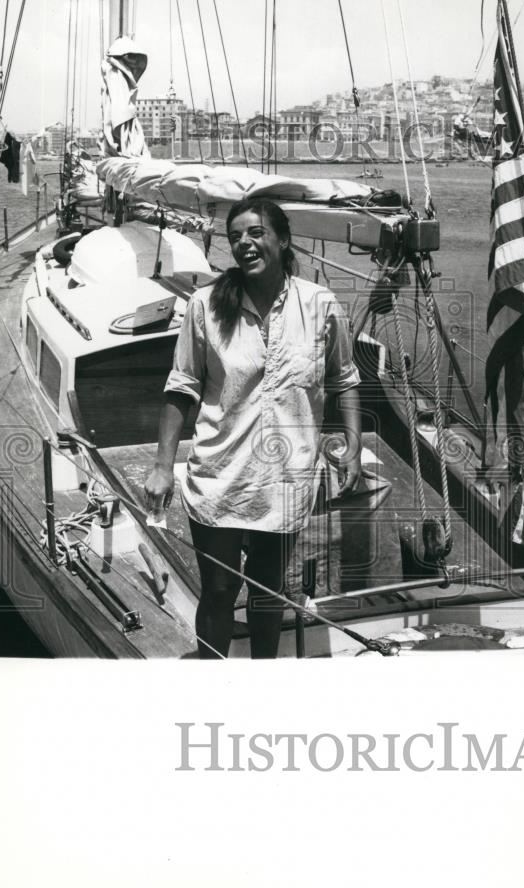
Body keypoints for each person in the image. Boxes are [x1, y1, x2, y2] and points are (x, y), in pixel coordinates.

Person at [145, 198, 362, 659]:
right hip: (220, 475)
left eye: (256, 232)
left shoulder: (321, 304)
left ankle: (262, 684)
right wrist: (163, 466)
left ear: (283, 240)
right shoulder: (205, 305)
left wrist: (355, 448)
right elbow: (181, 387)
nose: (245, 243)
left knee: (268, 593)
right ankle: (215, 676)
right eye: (236, 236)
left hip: (287, 478)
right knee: (220, 590)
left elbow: (345, 380)